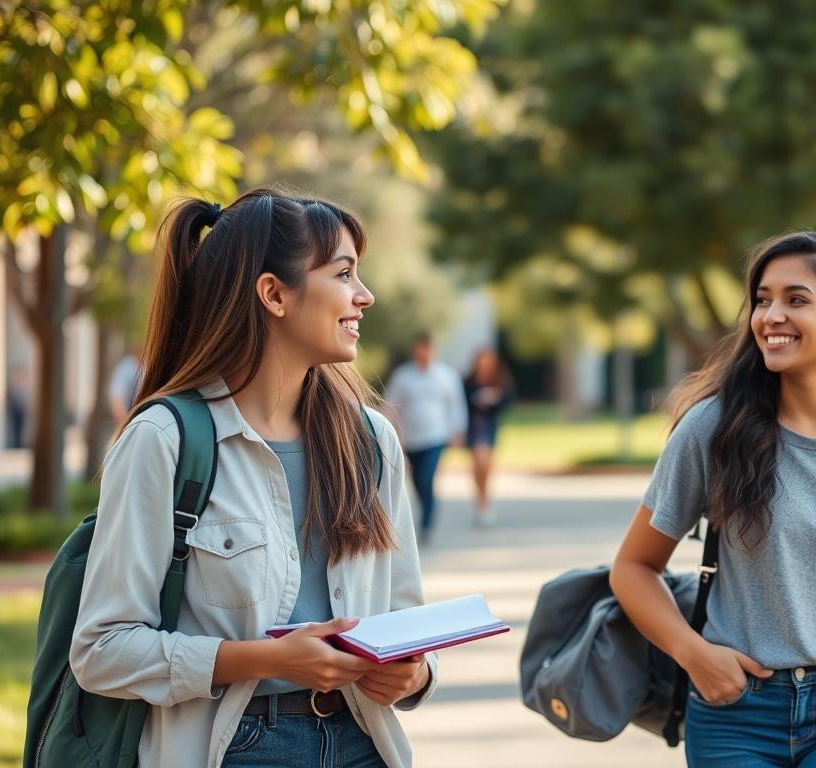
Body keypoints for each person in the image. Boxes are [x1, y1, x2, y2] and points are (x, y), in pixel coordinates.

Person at [70, 189, 436, 768]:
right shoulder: (165, 439)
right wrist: (267, 660)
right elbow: (102, 650)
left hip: (365, 744)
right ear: (273, 294)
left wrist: (412, 674)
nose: (364, 296)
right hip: (234, 750)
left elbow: (404, 617)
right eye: (344, 274)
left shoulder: (372, 441)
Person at [610, 231, 816, 767]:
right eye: (763, 299)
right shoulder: (712, 428)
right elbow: (632, 567)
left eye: (796, 300)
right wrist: (694, 654)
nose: (770, 316)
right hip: (734, 710)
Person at [384, 334, 467, 540]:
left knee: (426, 477)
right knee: (417, 481)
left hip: (436, 436)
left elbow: (456, 404)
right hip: (411, 438)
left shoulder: (446, 375)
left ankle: (427, 524)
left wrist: (458, 429)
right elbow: (391, 404)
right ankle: (425, 507)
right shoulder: (403, 376)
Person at [463, 347, 514, 527]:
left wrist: (494, 401)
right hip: (473, 427)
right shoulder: (468, 381)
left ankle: (484, 501)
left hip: (489, 426)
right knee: (478, 465)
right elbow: (462, 401)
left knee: (486, 465)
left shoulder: (499, 380)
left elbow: (508, 401)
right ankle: (480, 500)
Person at [108, 344, 144, 423]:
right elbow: (117, 400)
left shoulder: (146, 366)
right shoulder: (126, 367)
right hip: (130, 422)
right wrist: (125, 424)